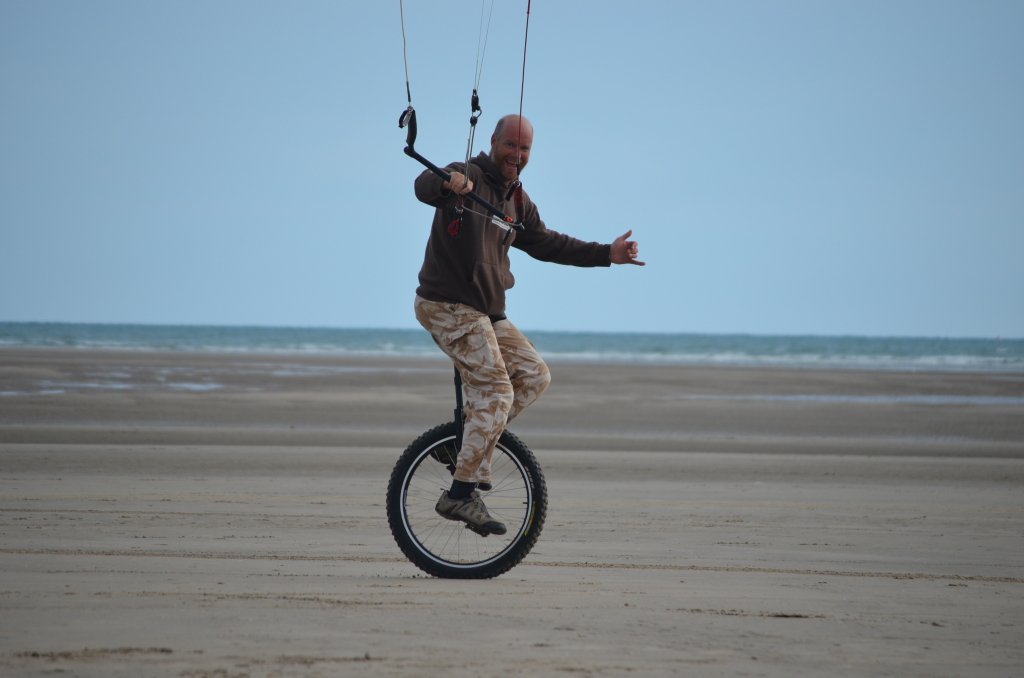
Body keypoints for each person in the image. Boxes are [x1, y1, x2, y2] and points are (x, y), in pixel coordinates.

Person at [413, 114, 643, 535]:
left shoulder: (516, 199)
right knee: (497, 390)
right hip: (447, 304)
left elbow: (546, 242)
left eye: (525, 149)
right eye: (510, 146)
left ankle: (461, 446)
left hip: (484, 311)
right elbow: (424, 186)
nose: (516, 156)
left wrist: (605, 254)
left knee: (534, 376)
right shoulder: (469, 176)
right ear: (494, 141)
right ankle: (459, 495)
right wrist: (447, 183)